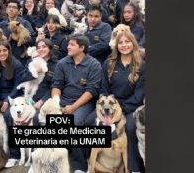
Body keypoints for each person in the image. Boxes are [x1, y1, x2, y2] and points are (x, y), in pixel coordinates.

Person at [85, 30, 145, 173]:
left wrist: (119, 111)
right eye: (120, 43)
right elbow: (104, 89)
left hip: (130, 106)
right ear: (116, 45)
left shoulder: (142, 65)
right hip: (108, 104)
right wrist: (106, 108)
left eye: (127, 42)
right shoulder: (109, 63)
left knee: (130, 128)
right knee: (88, 122)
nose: (124, 45)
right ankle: (89, 163)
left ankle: (134, 168)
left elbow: (139, 95)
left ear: (133, 44)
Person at [51, 33, 102, 173]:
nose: (67, 47)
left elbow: (91, 91)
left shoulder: (94, 64)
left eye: (72, 44)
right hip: (64, 99)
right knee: (43, 118)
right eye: (68, 44)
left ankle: (80, 166)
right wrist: (55, 103)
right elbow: (56, 85)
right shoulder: (62, 63)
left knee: (74, 122)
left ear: (82, 47)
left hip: (85, 102)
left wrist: (73, 107)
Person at [19, 39, 58, 124]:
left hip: (44, 98)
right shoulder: (31, 61)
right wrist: (35, 72)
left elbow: (54, 87)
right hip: (28, 96)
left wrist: (42, 101)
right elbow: (22, 78)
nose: (41, 49)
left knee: (35, 117)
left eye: (44, 47)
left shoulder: (56, 65)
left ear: (50, 48)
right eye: (38, 47)